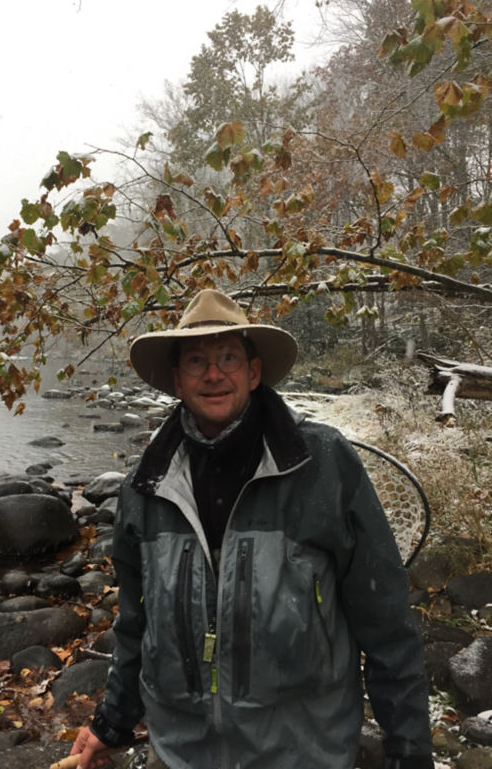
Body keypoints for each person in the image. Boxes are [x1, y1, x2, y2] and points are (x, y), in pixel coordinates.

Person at [71, 288, 434, 769]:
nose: (215, 373)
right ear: (177, 380)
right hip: (185, 752)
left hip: (306, 752)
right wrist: (110, 724)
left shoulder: (323, 463)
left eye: (228, 357)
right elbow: (137, 627)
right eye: (197, 360)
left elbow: (386, 621)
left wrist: (409, 750)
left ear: (254, 372)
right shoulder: (146, 485)